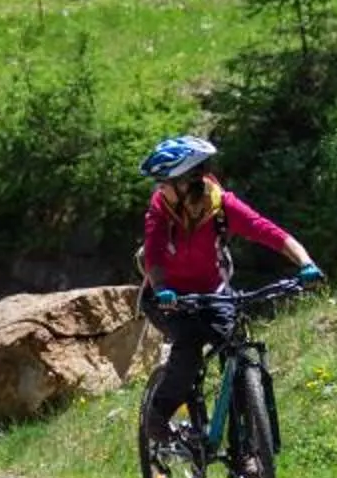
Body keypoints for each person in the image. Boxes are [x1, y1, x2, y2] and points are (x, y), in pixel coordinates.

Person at [135, 135, 320, 457]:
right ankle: (157, 415)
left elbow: (269, 231)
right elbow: (153, 257)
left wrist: (306, 263)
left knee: (236, 356)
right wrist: (163, 289)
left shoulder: (222, 206)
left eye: (164, 182)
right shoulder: (160, 209)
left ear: (187, 183)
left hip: (214, 293)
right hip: (168, 297)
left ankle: (244, 453)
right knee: (189, 349)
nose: (159, 188)